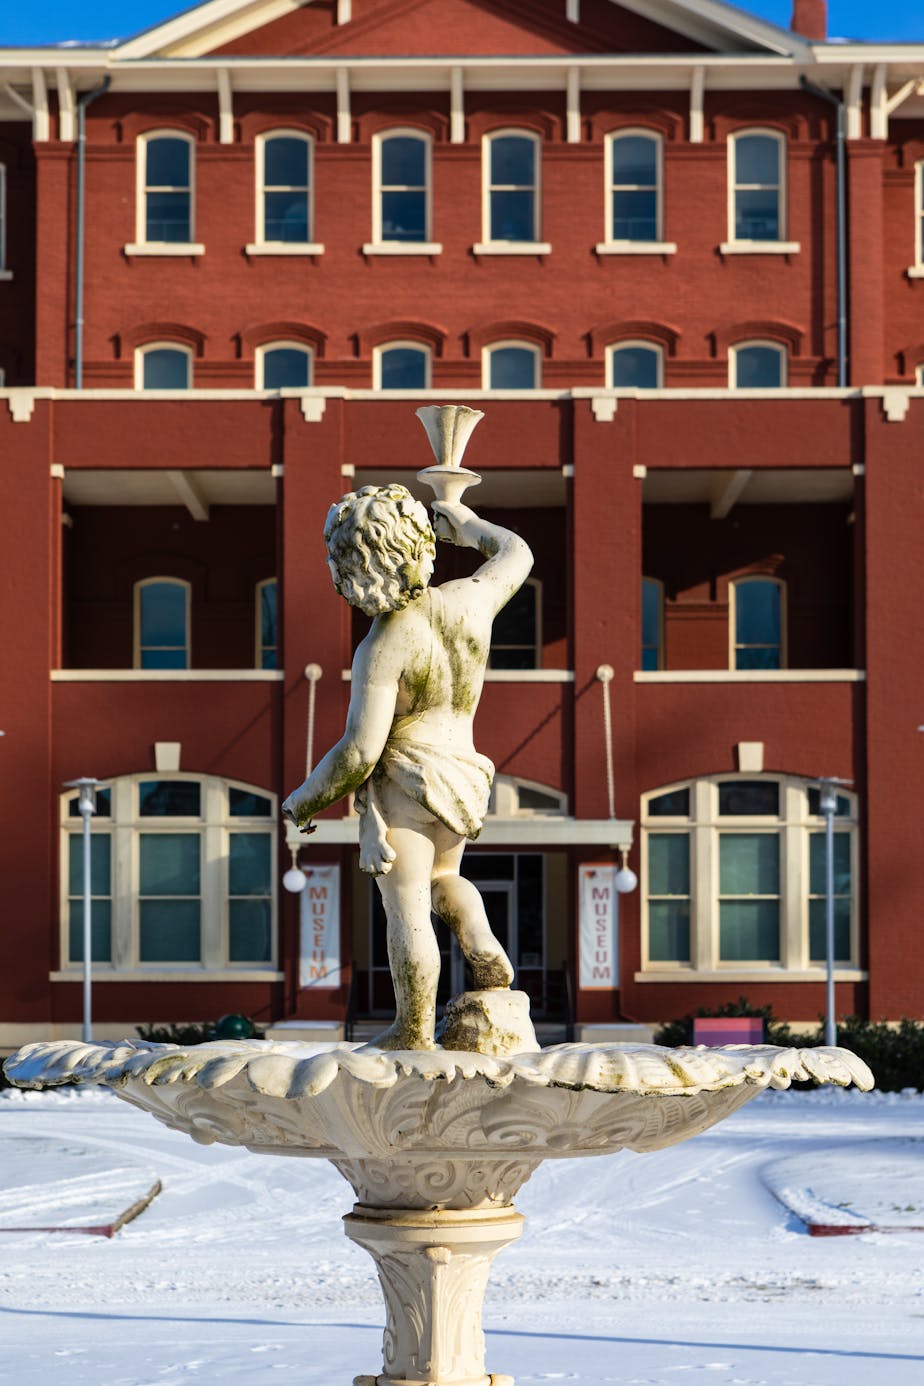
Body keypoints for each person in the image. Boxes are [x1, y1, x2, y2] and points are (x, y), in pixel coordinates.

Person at [281, 483, 533, 1050]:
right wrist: (467, 524)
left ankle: (412, 1029)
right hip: (464, 773)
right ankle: (480, 938)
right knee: (448, 879)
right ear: (422, 543)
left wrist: (305, 799)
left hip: (407, 781)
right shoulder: (470, 601)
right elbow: (517, 553)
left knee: (409, 905)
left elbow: (360, 751)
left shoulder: (384, 644)